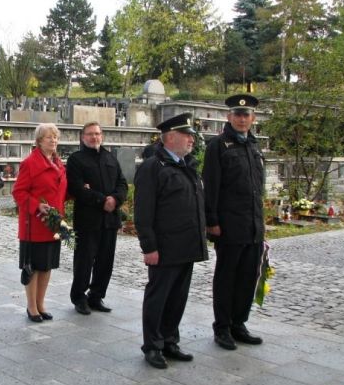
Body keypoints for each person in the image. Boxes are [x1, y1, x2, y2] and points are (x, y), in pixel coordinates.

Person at [134, 113, 208, 369]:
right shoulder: (153, 167)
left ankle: (169, 340)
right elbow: (143, 211)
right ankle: (152, 345)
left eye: (192, 136)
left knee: (178, 297)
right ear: (172, 137)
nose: (192, 140)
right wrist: (149, 246)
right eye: (187, 135)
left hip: (187, 245)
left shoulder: (187, 165)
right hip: (165, 248)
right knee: (159, 296)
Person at [203, 94, 265, 350]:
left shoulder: (253, 146)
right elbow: (211, 187)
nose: (242, 119)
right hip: (229, 226)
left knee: (248, 277)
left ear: (253, 118)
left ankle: (239, 322)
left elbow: (257, 189)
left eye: (246, 115)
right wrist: (212, 221)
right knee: (227, 278)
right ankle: (223, 327)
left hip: (253, 226)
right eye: (237, 115)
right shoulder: (218, 146)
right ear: (229, 117)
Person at [66, 121, 128, 315]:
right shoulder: (76, 159)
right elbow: (76, 187)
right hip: (88, 219)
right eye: (90, 134)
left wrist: (115, 199)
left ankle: (96, 296)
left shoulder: (110, 157)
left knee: (105, 261)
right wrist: (102, 200)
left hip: (110, 220)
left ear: (102, 136)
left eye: (98, 133)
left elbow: (122, 183)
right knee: (84, 261)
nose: (94, 137)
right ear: (83, 137)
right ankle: (79, 297)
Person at [12, 123, 67, 323]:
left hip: (53, 224)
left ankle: (41, 303)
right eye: (48, 137)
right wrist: (37, 206)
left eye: (55, 137)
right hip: (34, 224)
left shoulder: (59, 163)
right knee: (34, 266)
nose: (53, 140)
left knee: (47, 266)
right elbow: (18, 192)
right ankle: (31, 306)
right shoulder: (30, 163)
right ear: (39, 141)